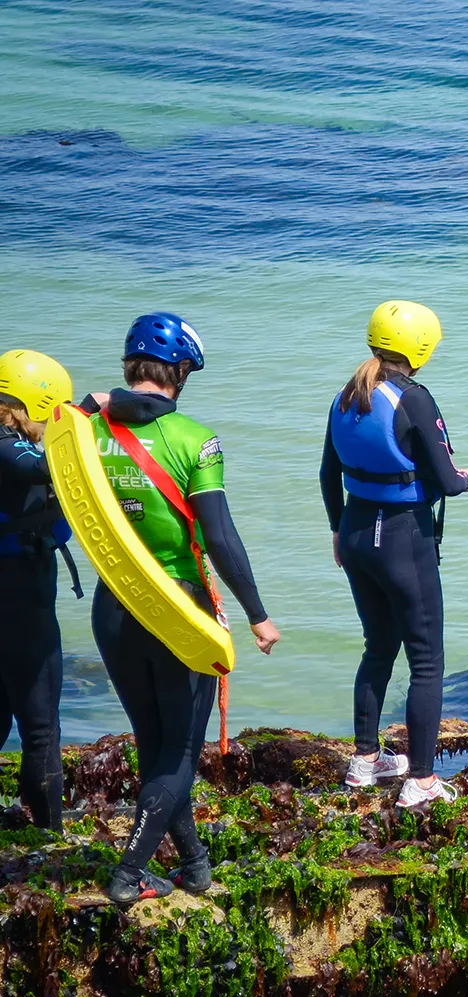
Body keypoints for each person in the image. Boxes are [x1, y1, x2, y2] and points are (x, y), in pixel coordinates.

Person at [84, 313, 278, 904]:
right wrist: (256, 612)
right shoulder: (196, 439)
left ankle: (193, 861)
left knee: (155, 744)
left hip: (112, 608)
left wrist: (96, 402)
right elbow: (219, 535)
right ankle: (128, 873)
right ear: (182, 372)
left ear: (128, 367)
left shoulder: (86, 432)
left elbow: (48, 443)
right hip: (177, 610)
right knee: (180, 753)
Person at [320, 301, 468, 809]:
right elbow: (448, 481)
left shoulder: (347, 394)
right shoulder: (415, 399)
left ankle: (366, 760)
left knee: (378, 646)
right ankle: (422, 779)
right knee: (427, 661)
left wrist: (339, 531)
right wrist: (467, 479)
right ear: (422, 348)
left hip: (358, 532)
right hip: (404, 538)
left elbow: (327, 474)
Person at [0, 349, 77, 832]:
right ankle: (51, 837)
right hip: (20, 595)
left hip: (14, 592)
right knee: (42, 726)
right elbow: (48, 463)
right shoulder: (12, 448)